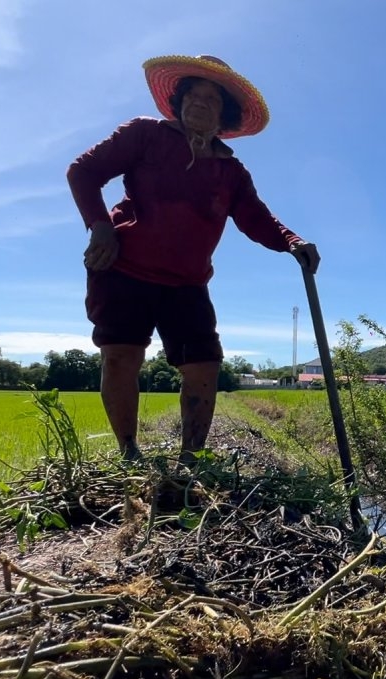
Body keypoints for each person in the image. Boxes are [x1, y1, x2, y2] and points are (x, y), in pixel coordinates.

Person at [67, 54, 319, 464]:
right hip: (124, 270)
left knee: (203, 364)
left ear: (225, 115)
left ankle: (191, 461)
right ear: (179, 101)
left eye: (212, 99)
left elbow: (257, 218)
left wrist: (293, 241)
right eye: (194, 94)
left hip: (186, 283)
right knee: (121, 355)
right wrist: (99, 226)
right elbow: (83, 172)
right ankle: (129, 451)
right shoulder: (145, 135)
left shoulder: (231, 173)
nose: (200, 103)